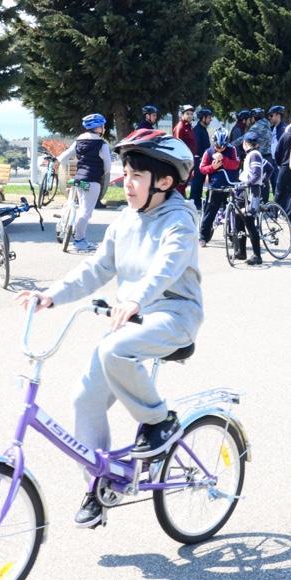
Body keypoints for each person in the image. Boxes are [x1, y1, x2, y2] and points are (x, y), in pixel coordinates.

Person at [14, 129, 201, 528]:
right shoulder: (125, 220)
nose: (125, 182)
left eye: (136, 176)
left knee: (113, 350)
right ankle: (100, 484)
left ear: (164, 182)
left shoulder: (181, 221)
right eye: (125, 172)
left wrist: (136, 299)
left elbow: (165, 267)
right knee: (84, 398)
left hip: (173, 314)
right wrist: (52, 294)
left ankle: (158, 421)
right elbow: (97, 268)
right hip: (132, 317)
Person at [56, 113, 112, 252]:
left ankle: (66, 226)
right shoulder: (101, 144)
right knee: (85, 212)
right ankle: (79, 240)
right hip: (92, 181)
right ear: (98, 128)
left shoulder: (78, 141)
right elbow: (108, 166)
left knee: (80, 209)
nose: (104, 128)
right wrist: (102, 174)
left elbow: (63, 158)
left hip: (78, 180)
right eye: (102, 126)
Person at [198, 128, 240, 247]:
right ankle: (203, 236)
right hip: (215, 186)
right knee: (210, 212)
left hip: (230, 184)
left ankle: (233, 236)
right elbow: (202, 168)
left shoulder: (232, 150)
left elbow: (236, 164)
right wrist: (212, 167)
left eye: (223, 147)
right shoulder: (208, 152)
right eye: (217, 147)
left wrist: (224, 159)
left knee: (233, 212)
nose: (220, 149)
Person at [233, 132, 266, 265]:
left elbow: (256, 173)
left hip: (251, 191)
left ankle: (257, 255)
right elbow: (268, 168)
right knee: (238, 217)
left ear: (245, 143)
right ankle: (241, 251)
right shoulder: (254, 155)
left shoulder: (254, 155)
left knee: (249, 221)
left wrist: (250, 182)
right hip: (245, 190)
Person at [273, 107, 291, 217]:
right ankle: (289, 215)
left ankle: (274, 213)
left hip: (285, 166)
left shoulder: (286, 134)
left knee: (280, 190)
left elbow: (277, 152)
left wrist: (280, 163)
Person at [246, 108, 273, 201]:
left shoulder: (257, 126)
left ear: (254, 117)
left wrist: (231, 144)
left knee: (257, 179)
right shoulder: (268, 123)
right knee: (265, 181)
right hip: (269, 155)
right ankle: (265, 202)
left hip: (259, 156)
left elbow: (245, 138)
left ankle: (259, 202)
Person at [190, 107, 213, 209]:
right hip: (198, 160)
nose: (210, 120)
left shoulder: (203, 129)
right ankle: (194, 203)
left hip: (203, 160)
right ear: (203, 118)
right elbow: (196, 147)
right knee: (197, 182)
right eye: (208, 117)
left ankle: (198, 202)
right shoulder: (197, 130)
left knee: (200, 182)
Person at [172, 105, 196, 195]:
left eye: (191, 114)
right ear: (182, 115)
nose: (190, 116)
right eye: (187, 114)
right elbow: (178, 145)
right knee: (180, 184)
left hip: (189, 159)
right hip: (182, 161)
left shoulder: (188, 126)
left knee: (184, 184)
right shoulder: (180, 127)